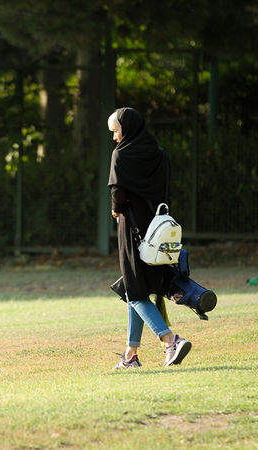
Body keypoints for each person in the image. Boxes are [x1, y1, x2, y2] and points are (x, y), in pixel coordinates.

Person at [107, 107, 192, 369]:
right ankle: (131, 356)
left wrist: (116, 210)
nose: (115, 138)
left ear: (126, 129)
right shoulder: (159, 155)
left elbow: (118, 195)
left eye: (116, 131)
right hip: (158, 230)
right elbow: (165, 191)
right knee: (137, 288)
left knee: (134, 291)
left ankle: (170, 340)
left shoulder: (121, 155)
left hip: (131, 229)